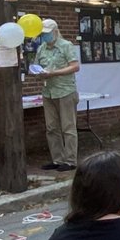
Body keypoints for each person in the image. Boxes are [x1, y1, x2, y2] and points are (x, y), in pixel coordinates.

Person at [34, 18, 81, 172]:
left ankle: (70, 160)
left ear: (56, 31)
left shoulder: (66, 46)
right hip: (48, 91)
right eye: (43, 34)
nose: (45, 36)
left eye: (47, 33)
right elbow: (37, 66)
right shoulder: (41, 48)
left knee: (68, 127)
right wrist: (38, 72)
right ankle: (57, 159)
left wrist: (54, 73)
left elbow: (75, 67)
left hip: (65, 91)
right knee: (51, 127)